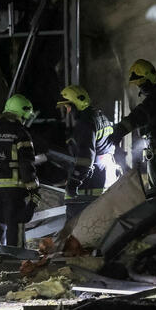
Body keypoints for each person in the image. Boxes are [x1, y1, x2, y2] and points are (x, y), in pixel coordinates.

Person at [105, 59, 156, 190]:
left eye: (141, 84)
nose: (140, 88)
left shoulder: (152, 101)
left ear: (149, 80)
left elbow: (135, 118)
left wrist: (118, 132)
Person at [0, 94, 39, 272]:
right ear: (22, 113)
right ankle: (13, 271)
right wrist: (34, 188)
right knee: (15, 228)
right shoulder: (21, 134)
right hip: (14, 191)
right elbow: (26, 164)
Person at [57, 84, 117, 220]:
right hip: (105, 184)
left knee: (74, 234)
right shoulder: (101, 117)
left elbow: (85, 158)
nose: (68, 112)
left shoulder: (85, 124)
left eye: (68, 107)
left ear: (76, 104)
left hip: (87, 192)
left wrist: (74, 182)